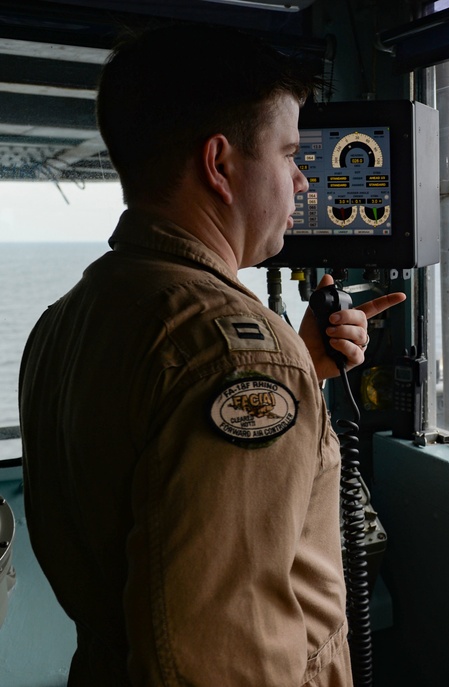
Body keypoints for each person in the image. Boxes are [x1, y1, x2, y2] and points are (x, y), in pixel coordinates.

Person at [18, 23, 404, 686]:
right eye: (289, 156)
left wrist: (301, 372)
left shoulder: (71, 316)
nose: (301, 184)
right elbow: (224, 659)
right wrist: (277, 370)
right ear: (220, 164)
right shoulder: (238, 358)